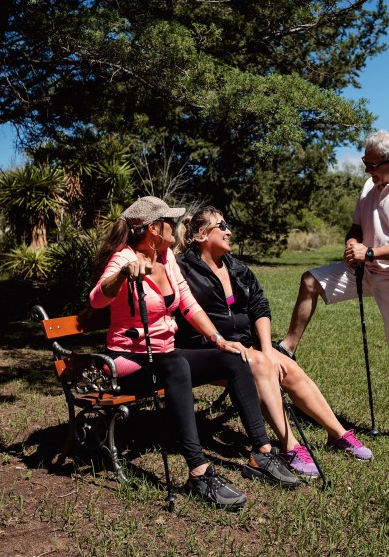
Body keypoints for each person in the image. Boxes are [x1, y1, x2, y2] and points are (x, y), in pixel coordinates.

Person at [89, 196, 300, 510]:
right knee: (176, 365)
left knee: (233, 358)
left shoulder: (166, 256)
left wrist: (218, 339)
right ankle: (199, 472)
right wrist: (122, 275)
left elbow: (187, 303)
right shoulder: (125, 258)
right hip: (128, 362)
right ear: (151, 229)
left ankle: (262, 453)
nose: (176, 225)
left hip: (165, 357)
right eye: (169, 221)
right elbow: (97, 299)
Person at [278, 130, 389, 454]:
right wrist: (352, 244)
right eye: (364, 163)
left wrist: (369, 253)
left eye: (371, 165)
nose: (366, 171)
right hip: (366, 270)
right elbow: (357, 225)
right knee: (311, 280)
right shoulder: (370, 186)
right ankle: (287, 348)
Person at [174, 206, 372, 477]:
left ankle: (337, 434)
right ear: (201, 234)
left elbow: (259, 306)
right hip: (206, 349)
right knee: (260, 365)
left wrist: (268, 349)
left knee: (287, 367)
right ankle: (289, 446)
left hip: (246, 346)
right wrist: (254, 354)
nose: (229, 231)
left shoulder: (236, 268)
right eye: (222, 226)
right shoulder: (182, 269)